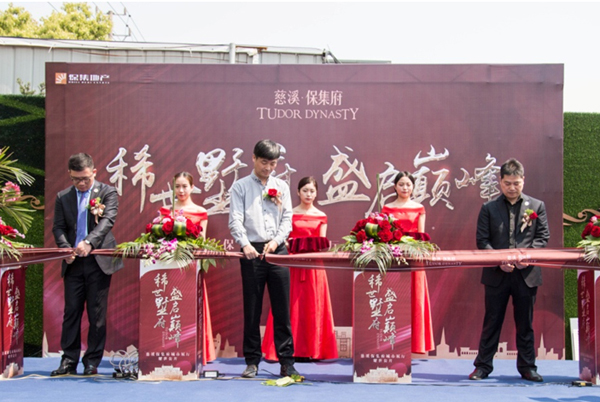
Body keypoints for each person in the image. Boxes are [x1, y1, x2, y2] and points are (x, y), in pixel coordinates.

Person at [469, 158, 549, 382]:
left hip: (526, 275)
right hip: (497, 275)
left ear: (523, 180)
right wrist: (498, 260)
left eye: (516, 183)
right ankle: (483, 366)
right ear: (500, 183)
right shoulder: (489, 208)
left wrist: (528, 257)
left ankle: (528, 367)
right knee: (492, 321)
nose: (512, 187)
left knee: (526, 323)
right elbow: (482, 240)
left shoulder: (536, 206)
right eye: (507, 183)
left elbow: (543, 238)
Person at [228, 139, 299, 378]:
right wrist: (245, 244)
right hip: (252, 252)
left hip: (277, 252)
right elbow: (235, 219)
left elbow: (287, 218)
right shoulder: (240, 187)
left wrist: (277, 241)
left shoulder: (281, 186)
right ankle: (252, 361)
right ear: (254, 158)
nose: (269, 168)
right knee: (252, 309)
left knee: (282, 309)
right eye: (264, 162)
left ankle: (287, 362)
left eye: (273, 163)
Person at [51, 153, 123, 376]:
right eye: (76, 179)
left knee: (96, 313)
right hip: (73, 263)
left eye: (85, 178)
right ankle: (69, 360)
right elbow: (58, 227)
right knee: (71, 311)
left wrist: (89, 243)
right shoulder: (63, 197)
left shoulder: (107, 192)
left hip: (98, 262)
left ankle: (92, 361)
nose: (81, 183)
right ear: (70, 176)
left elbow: (107, 220)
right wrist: (65, 248)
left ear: (94, 171)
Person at [262, 176, 338, 361]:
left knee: (313, 306)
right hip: (292, 265)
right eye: (305, 190)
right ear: (297, 192)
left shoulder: (321, 216)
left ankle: (315, 349)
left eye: (312, 191)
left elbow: (322, 244)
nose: (309, 194)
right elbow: (284, 239)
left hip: (314, 267)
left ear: (317, 193)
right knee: (288, 304)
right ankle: (284, 349)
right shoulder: (289, 213)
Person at [159, 172, 215, 365]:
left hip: (192, 267)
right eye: (177, 186)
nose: (181, 190)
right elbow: (159, 241)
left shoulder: (200, 212)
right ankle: (171, 349)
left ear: (192, 187)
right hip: (170, 267)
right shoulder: (165, 211)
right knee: (172, 306)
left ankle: (198, 350)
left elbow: (203, 242)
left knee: (193, 305)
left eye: (185, 186)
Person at [381, 171, 435, 354]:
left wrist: (415, 252)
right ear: (395, 187)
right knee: (392, 299)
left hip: (413, 260)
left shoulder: (419, 208)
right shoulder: (387, 208)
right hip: (393, 260)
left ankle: (415, 344)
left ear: (413, 187)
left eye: (408, 184)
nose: (405, 188)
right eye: (401, 184)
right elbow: (384, 235)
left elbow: (421, 237)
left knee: (415, 300)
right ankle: (391, 343)